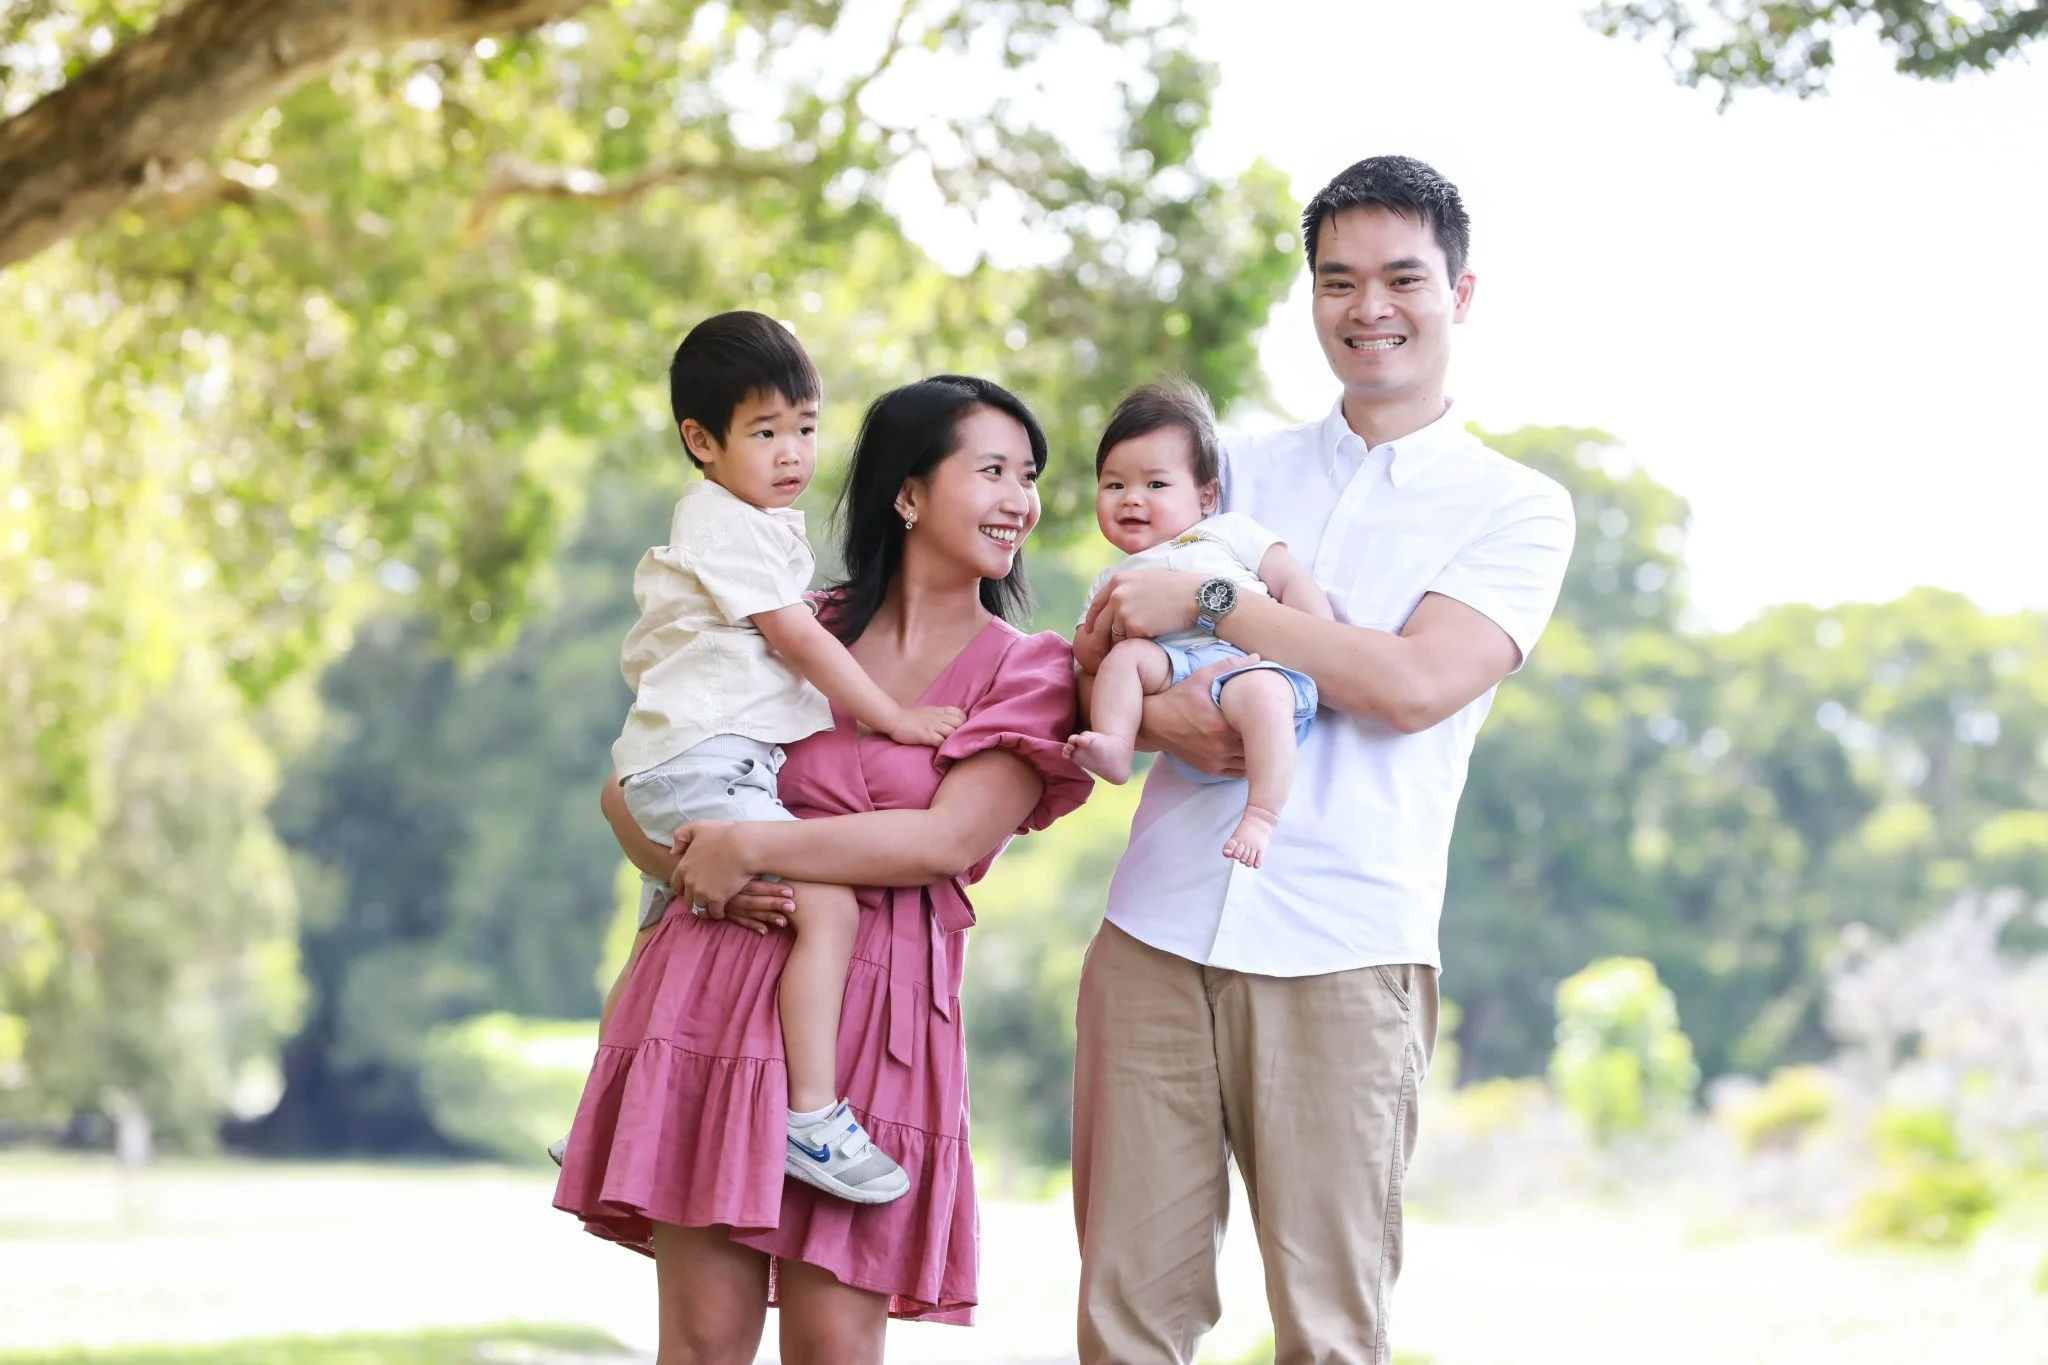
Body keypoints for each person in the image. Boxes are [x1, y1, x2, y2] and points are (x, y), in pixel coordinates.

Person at [1071, 156, 1578, 1364]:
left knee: (1328, 1331)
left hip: (1346, 947)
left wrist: (1216, 606)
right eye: (1336, 281)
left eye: (1401, 277)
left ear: (1461, 292)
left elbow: (1409, 686)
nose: (1368, 309)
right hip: (1155, 929)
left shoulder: (1516, 507)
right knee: (1123, 1317)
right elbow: (1099, 637)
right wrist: (1165, 713)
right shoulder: (1229, 465)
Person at [554, 374, 1092, 1364]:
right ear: (908, 491)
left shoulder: (1029, 669)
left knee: (832, 1351)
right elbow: (635, 782)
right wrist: (691, 868)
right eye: (991, 470)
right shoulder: (787, 623)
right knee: (700, 1349)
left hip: (878, 1026)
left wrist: (752, 844)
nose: (1021, 498)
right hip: (717, 982)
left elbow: (942, 842)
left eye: (1029, 475)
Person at [559, 312, 962, 1204]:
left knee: (659, 928)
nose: (793, 453)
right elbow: (800, 642)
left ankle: (602, 1098)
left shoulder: (746, 523)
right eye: (766, 432)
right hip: (709, 760)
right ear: (700, 441)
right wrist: (893, 715)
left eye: (807, 428)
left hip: (675, 759)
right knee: (827, 905)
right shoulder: (727, 524)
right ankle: (811, 1116)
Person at [1065, 381, 1331, 867]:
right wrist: (1102, 640)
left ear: (1206, 497)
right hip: (1171, 671)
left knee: (1265, 692)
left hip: (1241, 663)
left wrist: (1315, 629)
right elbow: (1088, 658)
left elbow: (1290, 582)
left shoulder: (1227, 533)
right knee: (1126, 660)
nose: (1131, 499)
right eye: (1114, 484)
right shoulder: (1113, 576)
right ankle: (1117, 747)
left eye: (1156, 484)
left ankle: (1263, 815)